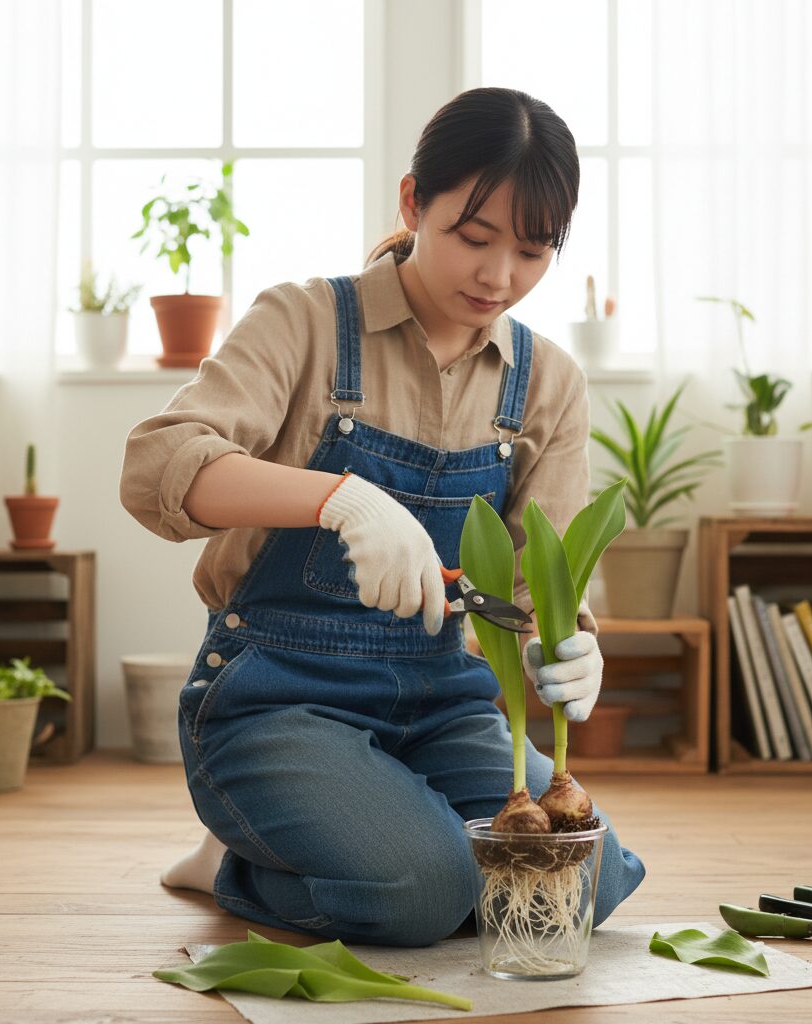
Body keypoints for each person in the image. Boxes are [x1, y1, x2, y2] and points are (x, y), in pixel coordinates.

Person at [119, 86, 645, 948]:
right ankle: (233, 857)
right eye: (473, 239)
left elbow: (531, 584)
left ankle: (366, 818)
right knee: (421, 894)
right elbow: (157, 467)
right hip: (279, 700)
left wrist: (567, 644)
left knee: (589, 877)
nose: (498, 276)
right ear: (412, 202)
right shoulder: (306, 323)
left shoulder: (546, 383)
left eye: (532, 250)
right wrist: (338, 497)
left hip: (449, 703)